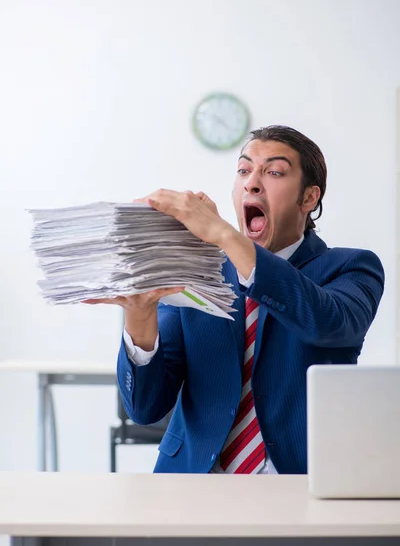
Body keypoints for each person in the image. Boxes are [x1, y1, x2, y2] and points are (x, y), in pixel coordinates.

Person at [86, 125, 384, 474]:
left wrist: (222, 234)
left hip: (300, 482)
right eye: (244, 170)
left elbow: (328, 324)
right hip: (193, 484)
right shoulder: (196, 271)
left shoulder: (352, 267)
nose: (252, 182)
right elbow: (145, 408)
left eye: (274, 172)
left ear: (309, 198)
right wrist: (138, 317)